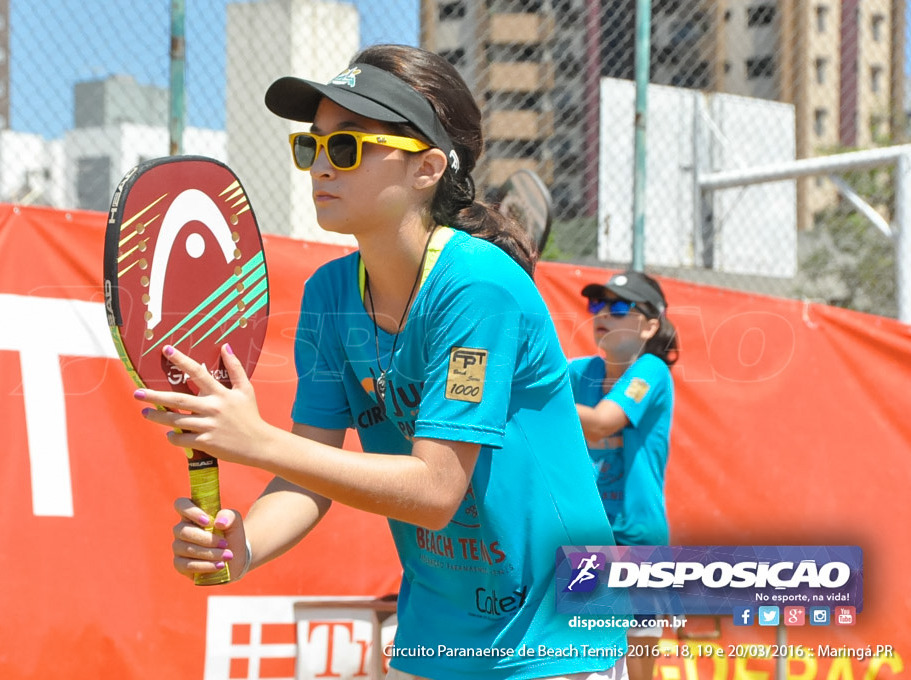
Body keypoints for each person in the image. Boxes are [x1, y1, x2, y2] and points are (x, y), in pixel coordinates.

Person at [135, 44, 626, 680]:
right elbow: (307, 474)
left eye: (348, 147)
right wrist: (245, 544)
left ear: (426, 168)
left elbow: (434, 493)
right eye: (313, 146)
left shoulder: (479, 286)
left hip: (554, 636)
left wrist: (256, 442)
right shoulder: (329, 294)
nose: (321, 167)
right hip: (436, 633)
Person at [568, 270, 679, 680]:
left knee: (636, 671)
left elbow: (600, 422)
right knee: (584, 660)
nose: (603, 314)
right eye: (597, 305)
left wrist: (541, 403)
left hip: (636, 540)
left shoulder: (652, 370)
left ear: (650, 325)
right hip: (586, 538)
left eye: (618, 307)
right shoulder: (578, 373)